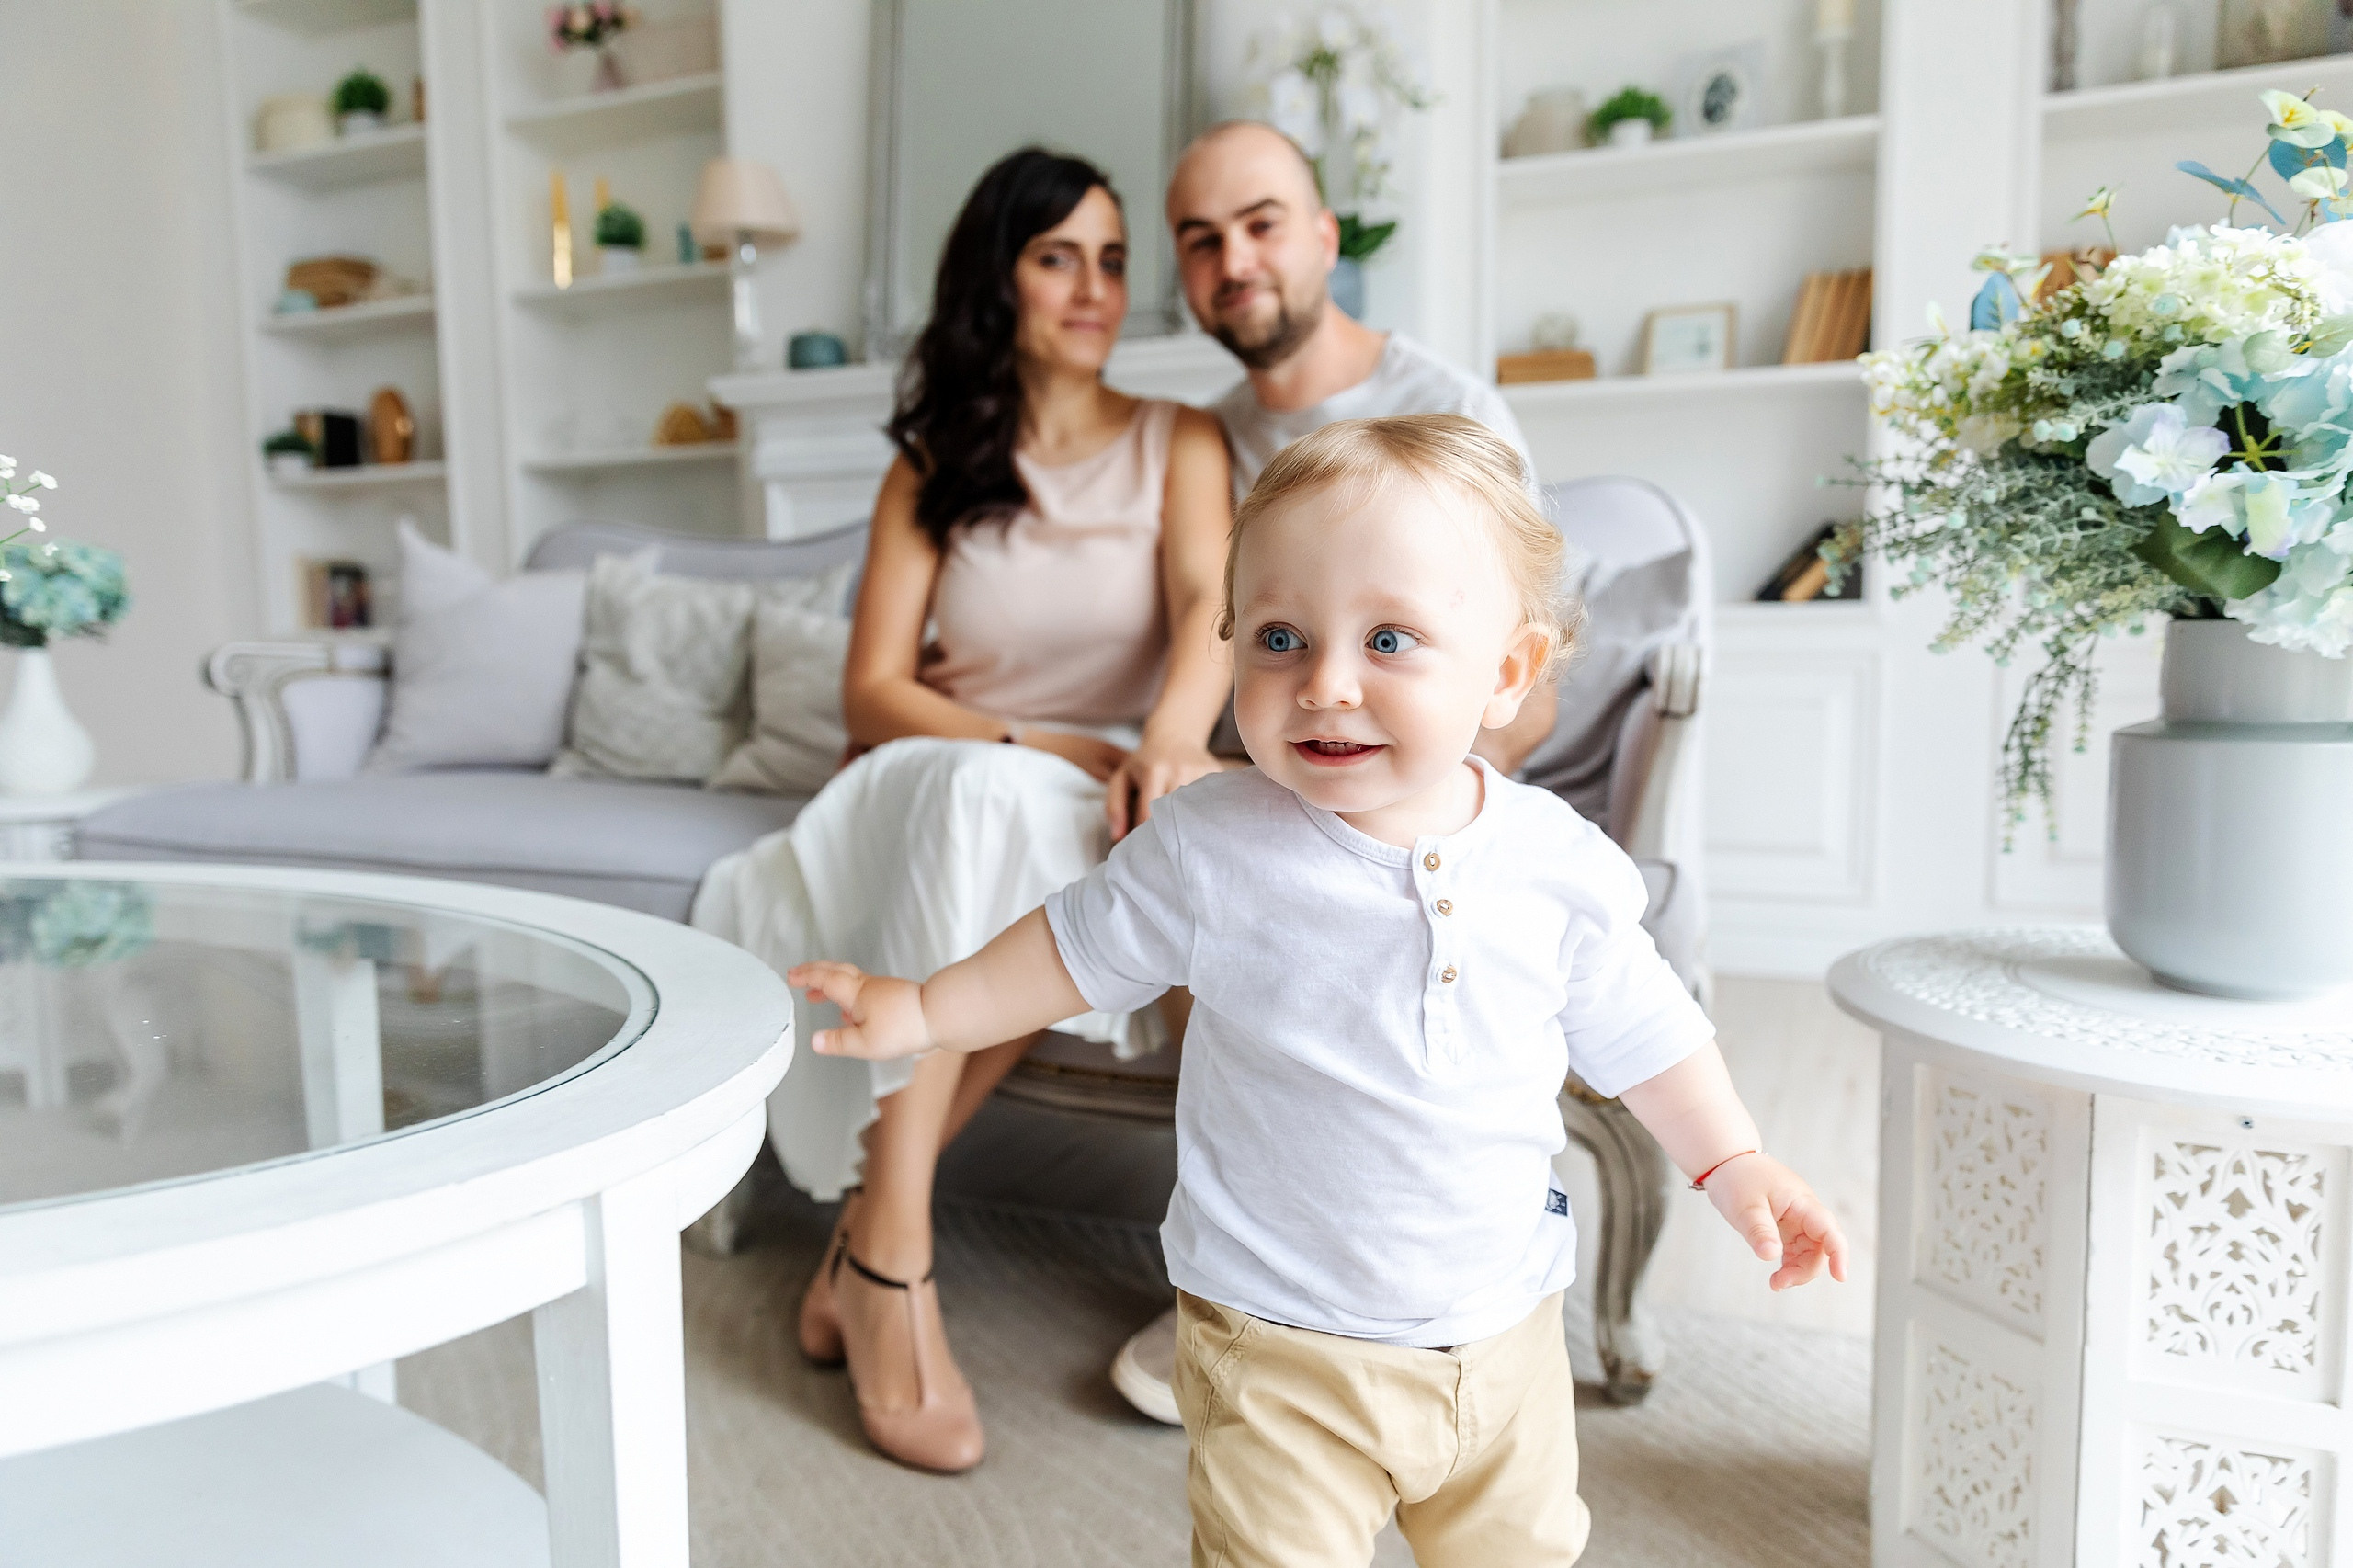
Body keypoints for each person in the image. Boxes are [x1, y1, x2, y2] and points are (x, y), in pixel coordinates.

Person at [789, 415, 1847, 1568]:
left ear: (1507, 672)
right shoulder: (1212, 844)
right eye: (1281, 637)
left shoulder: (1555, 860)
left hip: (1504, 1331)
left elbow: (1644, 1027)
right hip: (1277, 1342)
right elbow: (1064, 948)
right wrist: (926, 1009)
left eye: (1389, 638)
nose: (1325, 684)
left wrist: (1732, 1158)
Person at [690, 147, 1233, 1473]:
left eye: (1114, 259)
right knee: (993, 802)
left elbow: (1215, 608)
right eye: (1061, 257)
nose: (1097, 288)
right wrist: (1030, 734)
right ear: (1001, 278)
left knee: (1059, 835)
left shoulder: (1183, 440)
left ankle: (872, 1241)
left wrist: (1164, 739)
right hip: (932, 771)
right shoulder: (932, 462)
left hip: (1095, 785)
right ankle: (897, 1254)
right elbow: (873, 691)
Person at [1101, 116, 1564, 1425]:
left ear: (1322, 237)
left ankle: (1428, 1274)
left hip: (1433, 775)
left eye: (1258, 224)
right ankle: (1248, 1272)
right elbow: (1206, 626)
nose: (1232, 260)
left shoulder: (1450, 408)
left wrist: (1417, 793)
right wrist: (1181, 751)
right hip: (1261, 776)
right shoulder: (1203, 440)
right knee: (1216, 848)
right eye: (1200, 242)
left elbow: (1519, 663)